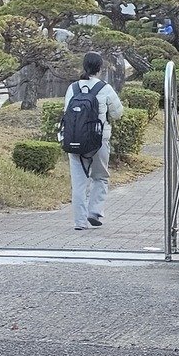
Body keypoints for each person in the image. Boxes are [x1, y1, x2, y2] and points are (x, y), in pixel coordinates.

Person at [64, 52, 123, 230]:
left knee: (79, 183)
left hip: (75, 141)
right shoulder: (104, 88)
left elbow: (67, 112)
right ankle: (94, 212)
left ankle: (80, 222)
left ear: (84, 66)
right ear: (99, 68)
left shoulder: (73, 88)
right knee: (100, 177)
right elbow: (117, 114)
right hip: (99, 140)